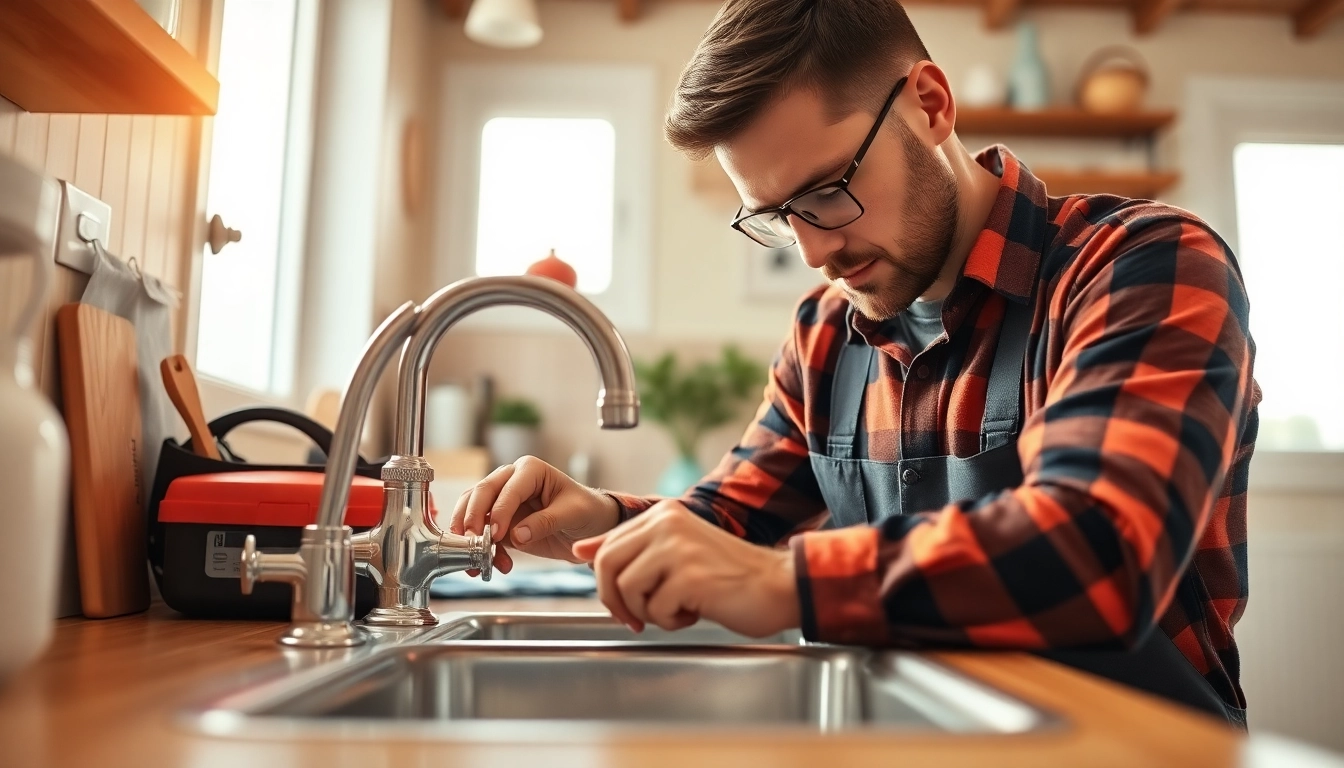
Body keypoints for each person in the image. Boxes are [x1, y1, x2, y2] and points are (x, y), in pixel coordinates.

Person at [449, 0, 1259, 727]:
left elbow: (1101, 545)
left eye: (829, 190)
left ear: (931, 105)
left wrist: (787, 583)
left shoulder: (1139, 264)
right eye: (777, 217)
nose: (813, 251)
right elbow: (732, 523)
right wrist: (604, 522)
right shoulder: (825, 335)